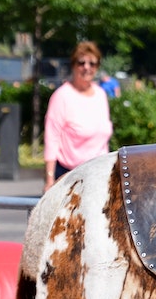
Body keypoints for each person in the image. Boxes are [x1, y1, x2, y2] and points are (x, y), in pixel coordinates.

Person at [43, 41, 112, 192]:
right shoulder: (62, 96)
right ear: (73, 65)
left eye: (92, 63)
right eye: (81, 63)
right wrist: (49, 180)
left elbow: (103, 140)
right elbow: (52, 139)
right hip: (69, 177)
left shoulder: (100, 94)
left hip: (98, 175)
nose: (87, 67)